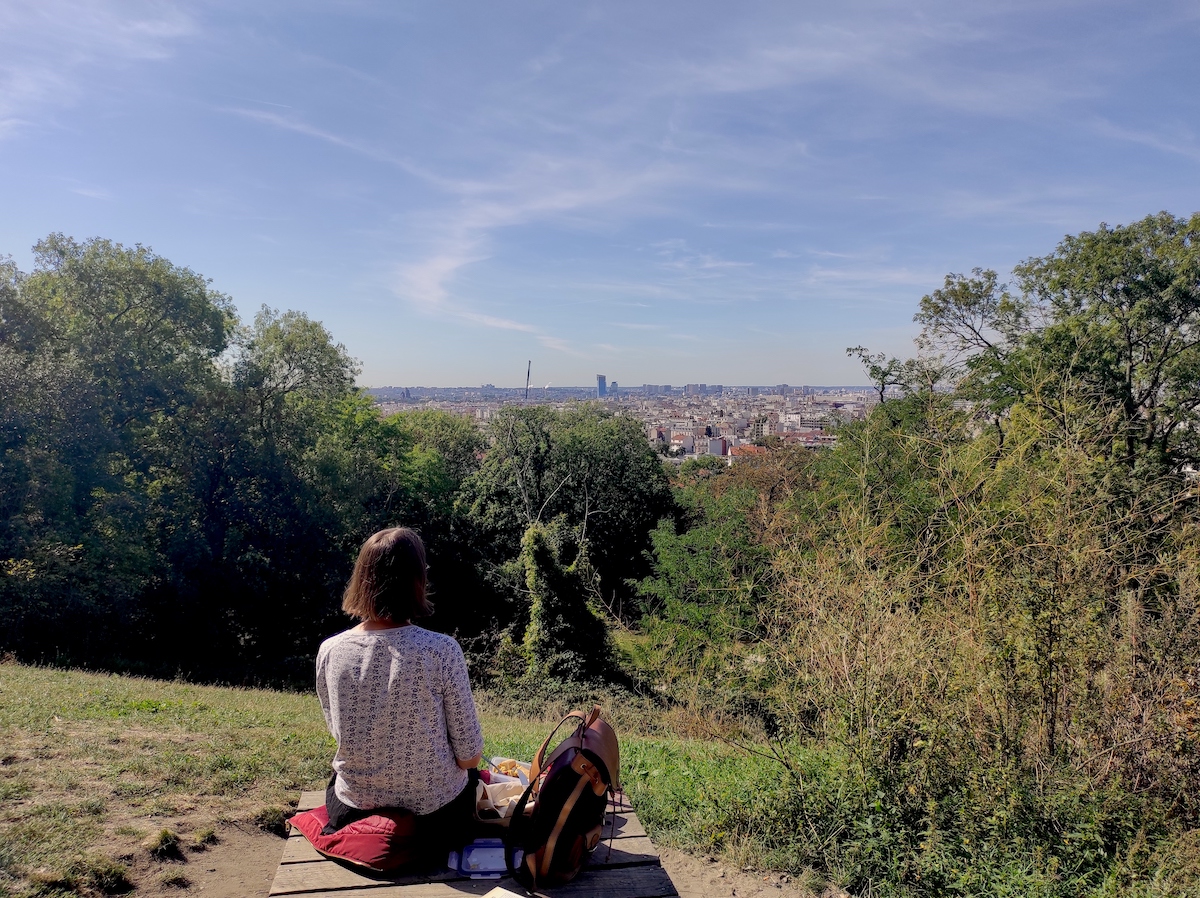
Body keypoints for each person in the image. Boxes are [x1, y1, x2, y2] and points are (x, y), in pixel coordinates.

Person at [316, 527, 483, 855]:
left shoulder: (331, 651)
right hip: (435, 816)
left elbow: (339, 732)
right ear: (417, 581)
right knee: (475, 779)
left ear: (361, 577)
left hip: (353, 809)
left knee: (334, 784)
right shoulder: (441, 650)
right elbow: (469, 757)